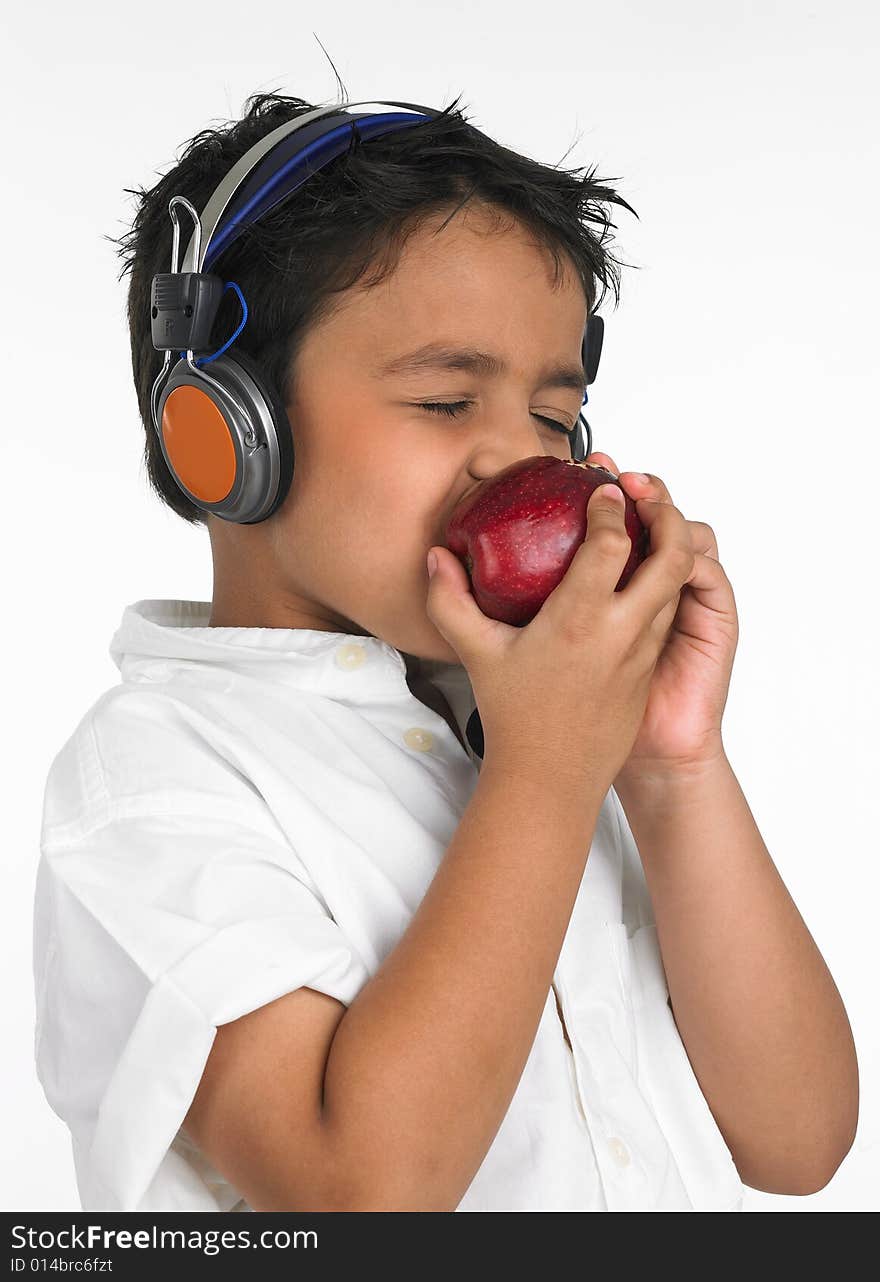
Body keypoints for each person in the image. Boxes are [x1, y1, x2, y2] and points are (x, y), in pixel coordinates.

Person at [33, 90, 858, 1212]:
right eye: (444, 398)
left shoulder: (532, 712)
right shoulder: (154, 779)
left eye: (553, 416)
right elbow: (362, 1192)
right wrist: (548, 772)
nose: (516, 461)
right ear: (225, 431)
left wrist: (670, 768)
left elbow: (796, 1139)